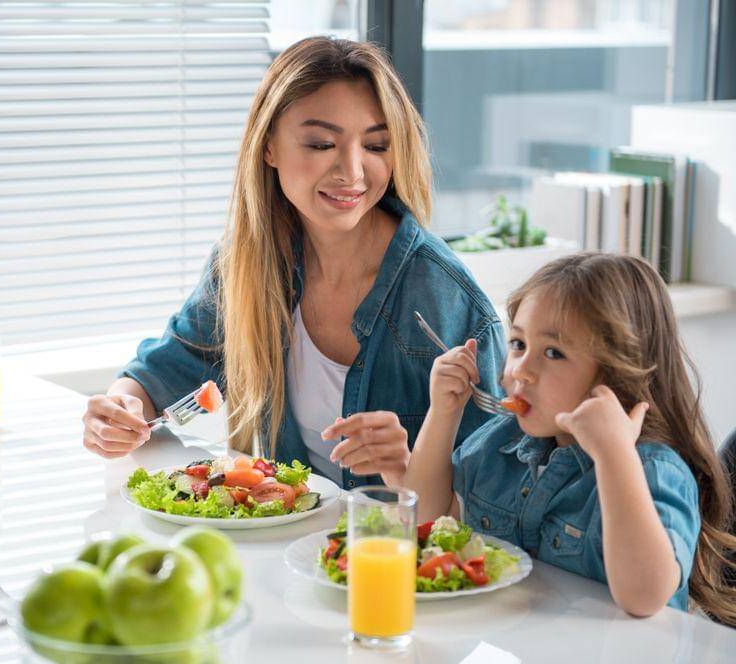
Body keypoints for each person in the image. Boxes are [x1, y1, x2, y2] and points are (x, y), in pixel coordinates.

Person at [82, 37, 506, 490]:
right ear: (269, 148)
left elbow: (491, 498)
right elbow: (168, 368)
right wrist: (119, 410)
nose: (353, 171)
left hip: (394, 556)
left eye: (377, 146)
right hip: (295, 553)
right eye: (322, 143)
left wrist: (407, 469)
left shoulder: (447, 303)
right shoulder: (250, 263)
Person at [403, 252, 736, 622]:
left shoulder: (652, 469)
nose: (522, 371)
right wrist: (443, 415)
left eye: (553, 352)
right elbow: (426, 520)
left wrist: (614, 456)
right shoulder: (503, 440)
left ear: (617, 371)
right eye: (518, 344)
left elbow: (644, 598)